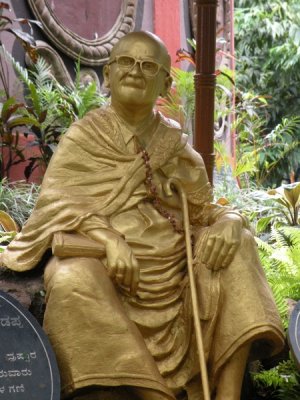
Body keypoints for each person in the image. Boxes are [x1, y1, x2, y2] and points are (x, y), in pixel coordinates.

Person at [3, 31, 284, 400]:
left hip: (175, 269)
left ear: (166, 82)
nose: (136, 71)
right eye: (126, 62)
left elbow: (206, 212)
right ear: (108, 74)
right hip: (108, 271)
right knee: (70, 277)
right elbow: (56, 208)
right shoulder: (83, 138)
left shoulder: (177, 149)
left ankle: (227, 393)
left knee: (239, 244)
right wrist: (107, 239)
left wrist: (231, 222)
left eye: (148, 65)